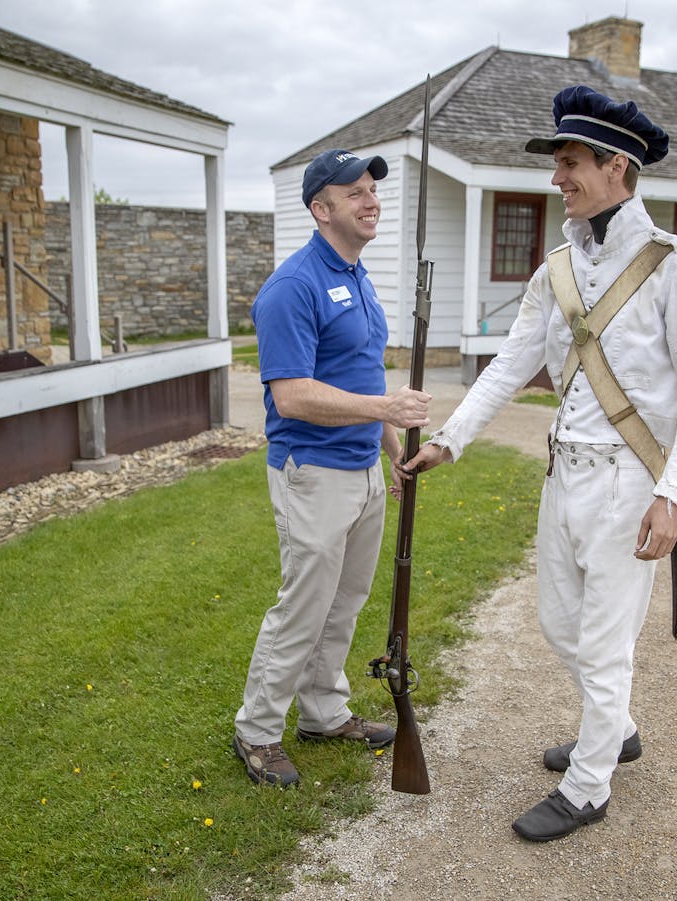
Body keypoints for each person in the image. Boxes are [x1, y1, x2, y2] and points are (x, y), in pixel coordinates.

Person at [401, 86, 677, 840]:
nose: (558, 178)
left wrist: (674, 495)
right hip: (564, 472)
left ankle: (589, 784)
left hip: (629, 479)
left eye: (571, 163)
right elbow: (512, 362)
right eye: (557, 163)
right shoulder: (557, 268)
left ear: (618, 167)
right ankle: (616, 729)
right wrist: (451, 436)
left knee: (605, 642)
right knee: (558, 623)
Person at [232, 149, 434, 788]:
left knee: (344, 603)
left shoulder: (359, 275)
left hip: (362, 470)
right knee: (303, 606)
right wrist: (386, 407)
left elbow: (359, 371)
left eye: (373, 189)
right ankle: (257, 731)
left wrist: (387, 443)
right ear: (321, 209)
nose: (371, 200)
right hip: (312, 472)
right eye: (354, 192)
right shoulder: (292, 288)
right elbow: (291, 395)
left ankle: (323, 712)